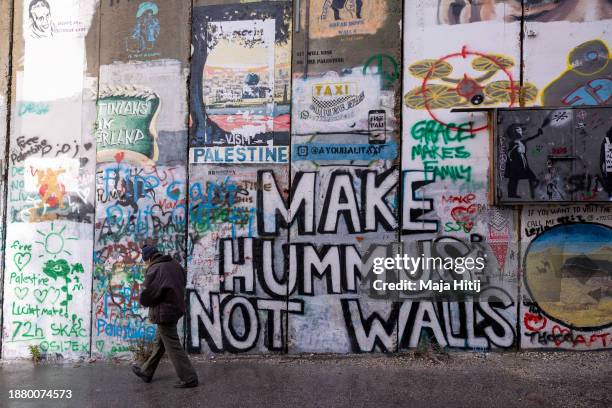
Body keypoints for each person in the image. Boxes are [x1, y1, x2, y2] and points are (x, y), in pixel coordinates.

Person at [131, 245, 199, 388]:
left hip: (164, 312)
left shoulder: (155, 269)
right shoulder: (175, 265)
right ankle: (146, 371)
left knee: (173, 345)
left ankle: (189, 377)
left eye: (145, 261)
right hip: (176, 309)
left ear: (149, 258)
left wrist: (145, 301)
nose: (146, 264)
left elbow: (146, 294)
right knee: (161, 343)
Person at [504, 124, 543, 199]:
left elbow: (529, 138)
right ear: (514, 133)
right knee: (514, 179)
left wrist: (538, 134)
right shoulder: (512, 144)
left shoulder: (522, 141)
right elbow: (509, 153)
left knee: (528, 176)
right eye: (518, 130)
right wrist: (512, 157)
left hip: (522, 163)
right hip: (515, 165)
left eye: (520, 130)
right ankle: (512, 194)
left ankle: (532, 193)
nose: (521, 132)